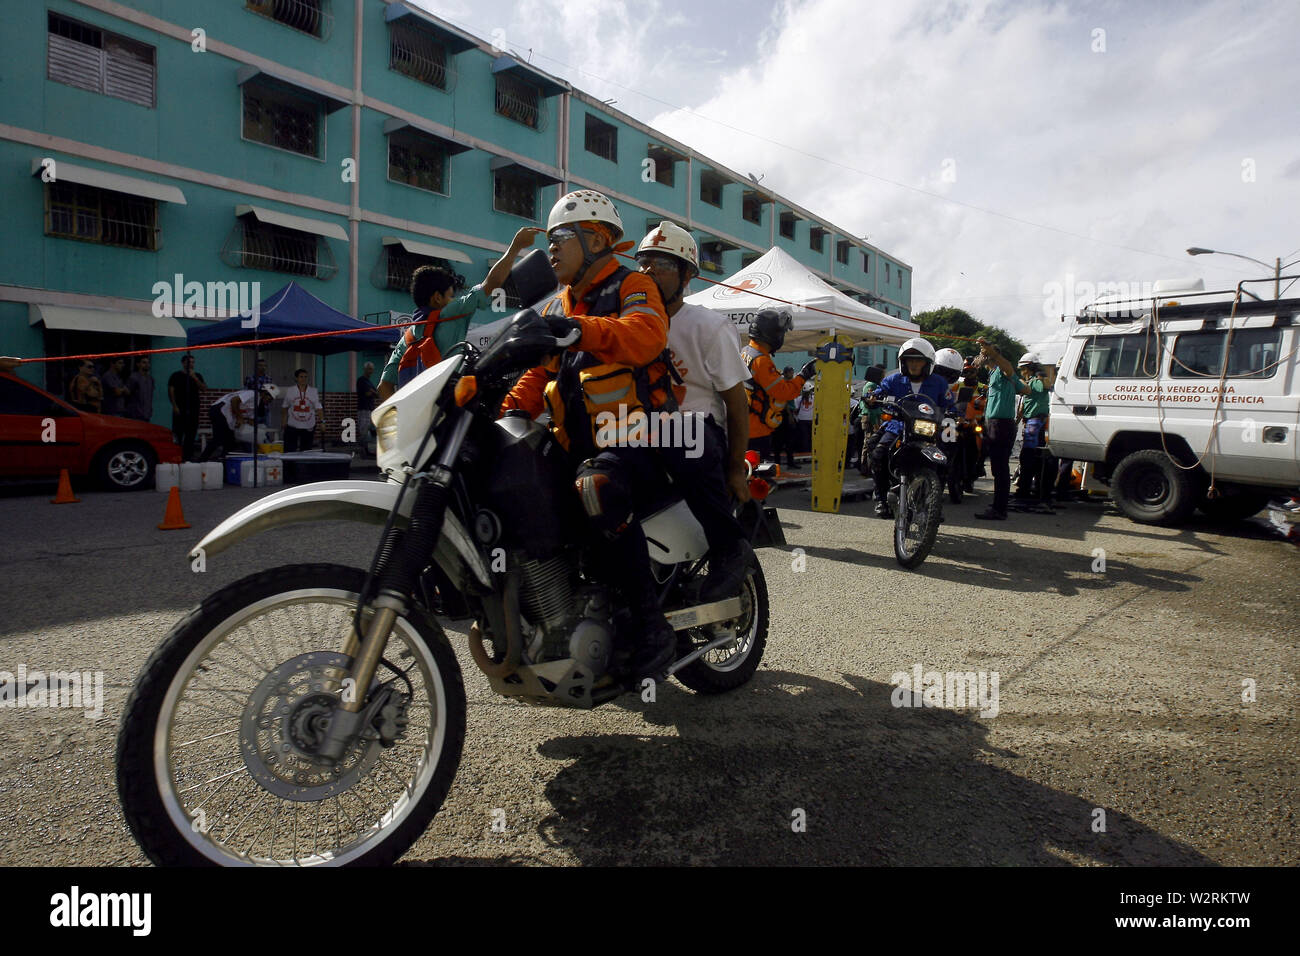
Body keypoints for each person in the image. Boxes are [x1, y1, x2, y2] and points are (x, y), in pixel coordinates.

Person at [500, 189, 677, 681]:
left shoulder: (632, 283)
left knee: (596, 488)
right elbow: (542, 374)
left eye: (560, 238)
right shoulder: (561, 302)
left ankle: (650, 624)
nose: (551, 248)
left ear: (596, 238)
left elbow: (644, 334)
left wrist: (578, 328)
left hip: (637, 437)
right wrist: (507, 408)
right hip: (580, 443)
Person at [635, 221, 754, 603]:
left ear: (686, 275)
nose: (650, 271)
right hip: (644, 429)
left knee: (682, 434)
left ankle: (730, 549)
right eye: (645, 263)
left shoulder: (708, 325)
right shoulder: (630, 323)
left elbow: (737, 403)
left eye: (663, 264)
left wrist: (736, 468)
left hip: (698, 432)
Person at [378, 227, 544, 401]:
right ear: (437, 298)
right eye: (451, 296)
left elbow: (384, 386)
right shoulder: (450, 312)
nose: (453, 300)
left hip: (416, 421)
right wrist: (516, 246)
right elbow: (491, 283)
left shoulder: (408, 337)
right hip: (447, 416)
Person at [865, 338, 956, 518]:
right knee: (878, 453)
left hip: (928, 430)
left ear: (927, 363)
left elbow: (949, 405)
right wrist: (872, 398)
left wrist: (953, 414)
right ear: (903, 362)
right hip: (897, 426)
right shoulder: (893, 380)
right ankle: (881, 499)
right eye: (910, 360)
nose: (914, 364)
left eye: (918, 360)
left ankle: (933, 503)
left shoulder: (939, 383)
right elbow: (878, 394)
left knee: (946, 458)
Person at [741, 311, 813, 462]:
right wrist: (804, 375)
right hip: (756, 431)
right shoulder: (761, 361)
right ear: (770, 334)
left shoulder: (746, 352)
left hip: (742, 426)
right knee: (758, 479)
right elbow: (784, 392)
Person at [973, 339, 1026, 520]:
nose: (980, 357)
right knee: (999, 468)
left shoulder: (1002, 371)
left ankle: (999, 510)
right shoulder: (997, 375)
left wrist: (992, 353)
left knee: (1000, 468)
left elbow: (1009, 369)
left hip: (1000, 425)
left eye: (983, 354)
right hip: (1000, 424)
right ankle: (998, 505)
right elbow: (1025, 390)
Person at [200, 384, 277, 461]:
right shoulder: (253, 394)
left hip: (227, 416)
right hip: (219, 410)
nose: (269, 401)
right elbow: (234, 400)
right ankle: (202, 460)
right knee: (219, 438)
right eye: (269, 398)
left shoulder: (257, 405)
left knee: (230, 443)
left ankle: (223, 462)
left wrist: (257, 431)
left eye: (271, 400)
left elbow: (251, 421)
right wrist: (239, 417)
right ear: (264, 393)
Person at [1014, 352, 1053, 503]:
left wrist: (1040, 377)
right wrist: (1016, 422)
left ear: (1028, 368)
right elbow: (1024, 406)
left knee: (1028, 457)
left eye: (1022, 369)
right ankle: (1032, 489)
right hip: (1032, 422)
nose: (1021, 372)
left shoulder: (1036, 381)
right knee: (1034, 457)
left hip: (1035, 423)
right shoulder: (1032, 380)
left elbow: (1045, 385)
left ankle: (1024, 490)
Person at [168, 354, 205, 460]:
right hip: (180, 409)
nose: (191, 364)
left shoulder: (197, 375)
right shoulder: (175, 376)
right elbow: (171, 391)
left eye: (193, 362)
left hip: (193, 409)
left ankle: (188, 456)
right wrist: (174, 406)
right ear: (183, 363)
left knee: (191, 434)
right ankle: (177, 455)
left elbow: (203, 388)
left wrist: (194, 378)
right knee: (178, 433)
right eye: (189, 362)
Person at [281, 368, 324, 452]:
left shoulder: (313, 391)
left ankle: (303, 465)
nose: (303, 379)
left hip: (308, 425)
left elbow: (319, 408)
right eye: (301, 377)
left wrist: (323, 422)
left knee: (306, 450)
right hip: (293, 425)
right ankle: (289, 465)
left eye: (305, 377)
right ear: (296, 378)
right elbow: (284, 407)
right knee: (289, 450)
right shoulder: (290, 390)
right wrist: (283, 420)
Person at [244, 358, 274, 425]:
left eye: (264, 366)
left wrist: (269, 398)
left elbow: (272, 393)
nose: (262, 367)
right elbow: (245, 394)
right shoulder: (250, 378)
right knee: (253, 431)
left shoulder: (269, 379)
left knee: (267, 432)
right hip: (253, 410)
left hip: (266, 409)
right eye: (260, 365)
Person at [125, 355, 154, 422]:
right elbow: (127, 393)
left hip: (146, 414)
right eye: (144, 362)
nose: (147, 364)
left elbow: (150, 396)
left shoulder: (150, 379)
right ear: (138, 364)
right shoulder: (133, 378)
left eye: (148, 362)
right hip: (135, 414)